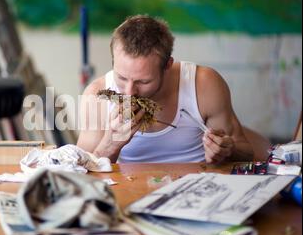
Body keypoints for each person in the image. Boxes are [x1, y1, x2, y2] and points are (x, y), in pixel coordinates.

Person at [77, 15, 254, 164]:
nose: (129, 92)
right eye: (122, 78)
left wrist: (227, 150)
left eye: (143, 81)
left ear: (167, 65)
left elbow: (247, 154)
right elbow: (79, 175)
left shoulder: (203, 84)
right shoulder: (96, 94)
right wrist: (110, 144)